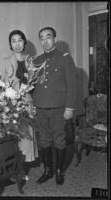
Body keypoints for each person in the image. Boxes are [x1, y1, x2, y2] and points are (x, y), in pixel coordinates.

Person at [32, 27, 77, 185]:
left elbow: (72, 84)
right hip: (41, 108)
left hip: (59, 108)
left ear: (54, 39)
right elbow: (34, 86)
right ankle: (47, 170)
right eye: (42, 38)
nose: (45, 41)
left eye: (48, 37)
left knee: (59, 140)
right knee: (44, 141)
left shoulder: (65, 58)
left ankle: (59, 171)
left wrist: (70, 107)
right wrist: (33, 104)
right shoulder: (36, 61)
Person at [3, 30, 38, 180]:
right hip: (13, 104)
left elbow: (34, 83)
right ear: (10, 44)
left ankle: (22, 168)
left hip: (28, 102)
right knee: (15, 138)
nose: (17, 44)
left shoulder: (30, 61)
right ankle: (15, 171)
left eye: (20, 41)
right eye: (13, 41)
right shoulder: (6, 61)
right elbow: (7, 84)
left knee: (27, 138)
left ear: (24, 43)